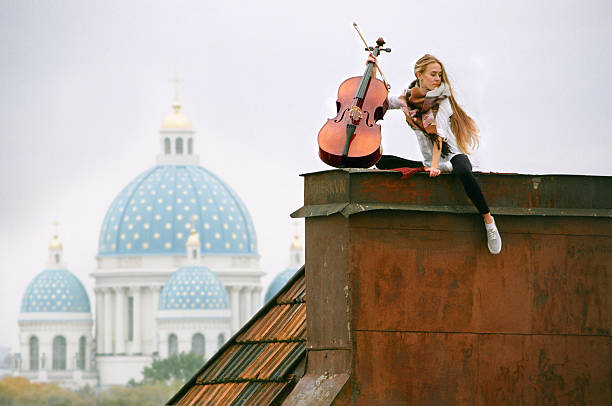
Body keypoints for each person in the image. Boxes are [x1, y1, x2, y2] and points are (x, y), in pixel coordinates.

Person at [371, 53, 502, 254]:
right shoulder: (406, 99)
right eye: (433, 74)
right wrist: (372, 69)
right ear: (419, 75)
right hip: (428, 163)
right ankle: (436, 168)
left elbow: (437, 138)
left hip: (451, 156)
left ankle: (488, 221)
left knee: (464, 172)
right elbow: (379, 101)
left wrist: (434, 166)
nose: (437, 79)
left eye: (439, 75)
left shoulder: (442, 102)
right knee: (381, 160)